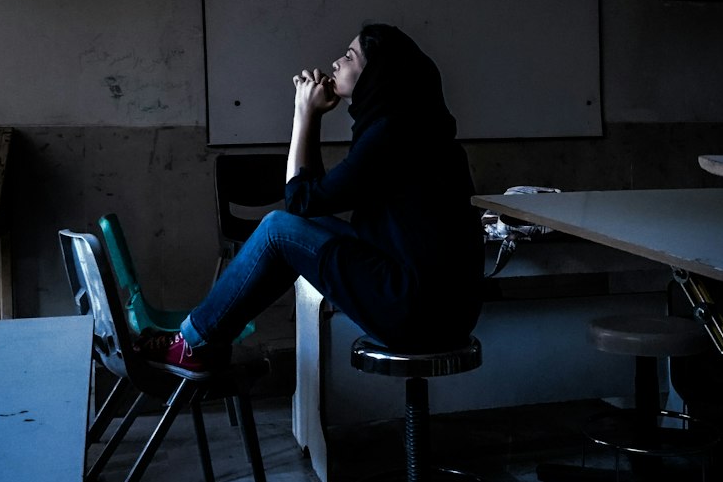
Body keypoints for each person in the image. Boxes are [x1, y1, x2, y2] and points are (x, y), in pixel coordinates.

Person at [138, 23, 484, 374]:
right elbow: (312, 203)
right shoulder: (413, 127)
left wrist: (304, 115)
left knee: (277, 229)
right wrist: (312, 118)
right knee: (294, 226)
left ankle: (192, 344)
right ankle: (204, 341)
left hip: (417, 312)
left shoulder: (393, 135)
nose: (336, 63)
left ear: (377, 74)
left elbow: (299, 201)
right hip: (442, 309)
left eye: (349, 56)